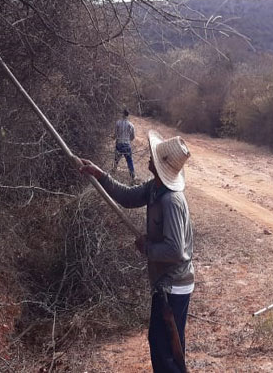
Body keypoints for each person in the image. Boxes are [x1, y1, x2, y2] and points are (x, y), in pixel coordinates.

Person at [80, 131, 193, 372]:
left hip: (174, 284)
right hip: (165, 282)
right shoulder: (155, 188)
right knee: (167, 346)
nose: (150, 158)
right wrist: (100, 174)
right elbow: (128, 197)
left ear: (161, 166)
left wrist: (147, 248)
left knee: (163, 347)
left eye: (155, 156)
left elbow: (175, 250)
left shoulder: (171, 201)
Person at [113, 108, 136, 181]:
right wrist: (128, 140)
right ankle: (133, 176)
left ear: (122, 114)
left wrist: (113, 137)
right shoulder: (131, 125)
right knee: (129, 161)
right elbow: (133, 137)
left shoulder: (118, 123)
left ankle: (113, 171)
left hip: (119, 143)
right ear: (128, 115)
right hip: (127, 145)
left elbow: (115, 135)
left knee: (116, 159)